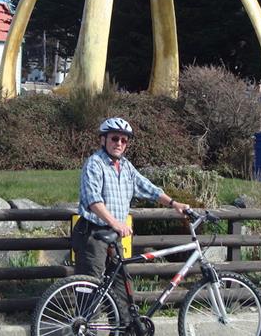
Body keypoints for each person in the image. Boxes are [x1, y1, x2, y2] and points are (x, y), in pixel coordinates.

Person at [72, 117, 189, 321]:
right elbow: (93, 201)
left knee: (121, 292)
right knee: (89, 291)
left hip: (113, 238)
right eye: (114, 138)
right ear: (103, 139)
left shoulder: (126, 167)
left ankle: (123, 329)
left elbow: (148, 188)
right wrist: (115, 222)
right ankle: (83, 328)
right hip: (93, 235)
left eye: (124, 140)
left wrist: (174, 203)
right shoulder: (95, 164)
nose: (119, 143)